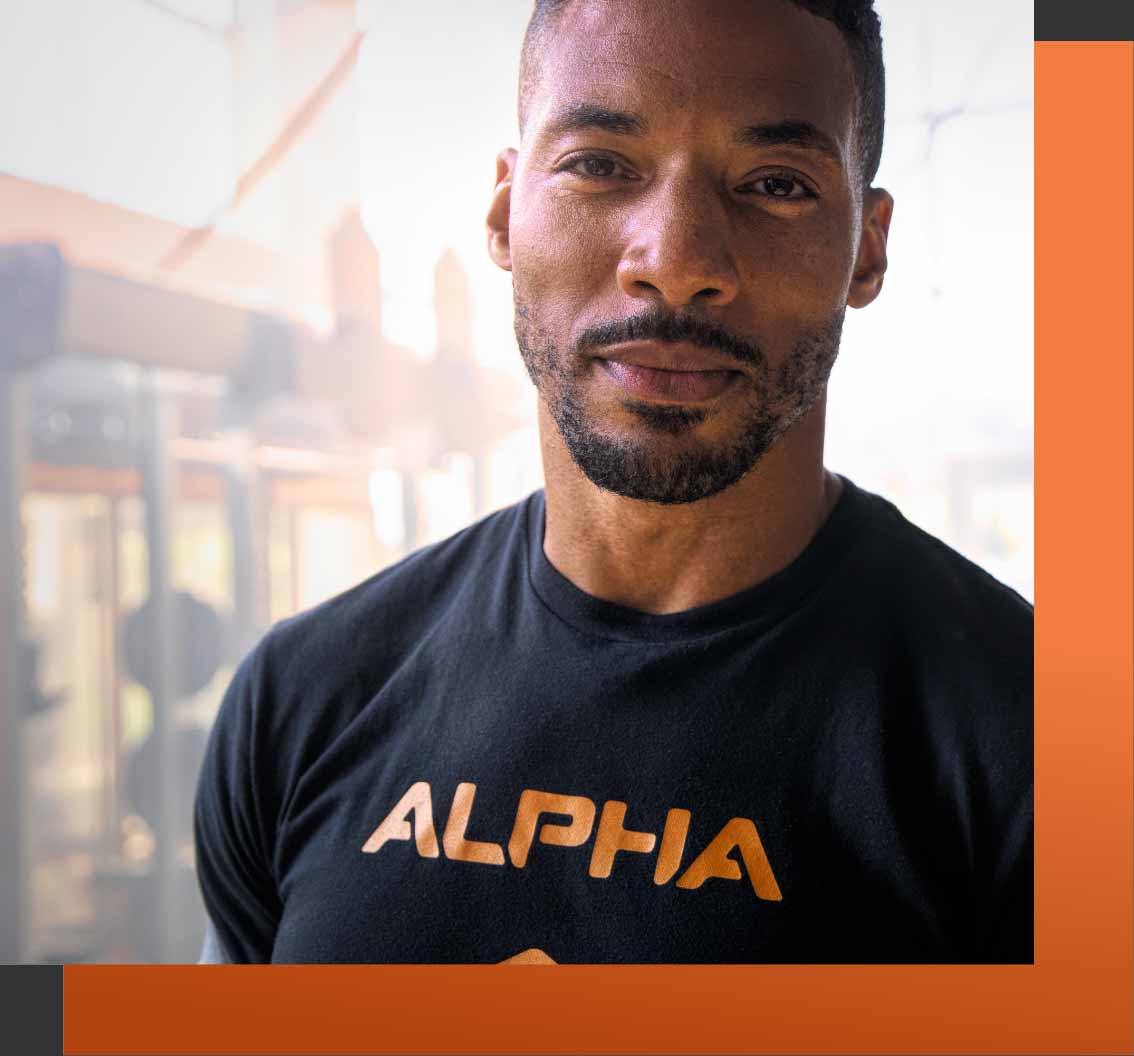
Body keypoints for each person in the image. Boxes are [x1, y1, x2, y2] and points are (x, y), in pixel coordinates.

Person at [194, 0, 1032, 964]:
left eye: (775, 183)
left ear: (867, 247)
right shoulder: (304, 697)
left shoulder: (1036, 747)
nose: (675, 263)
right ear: (507, 210)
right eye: (598, 164)